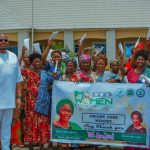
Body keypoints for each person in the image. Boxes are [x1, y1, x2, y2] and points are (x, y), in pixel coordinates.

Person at [22, 52, 50, 150]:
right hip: (31, 102)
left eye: (39, 61)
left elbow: (53, 83)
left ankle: (42, 145)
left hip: (43, 103)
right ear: (31, 63)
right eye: (35, 61)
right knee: (31, 122)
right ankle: (31, 145)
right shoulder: (27, 72)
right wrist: (22, 55)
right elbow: (15, 69)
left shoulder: (46, 74)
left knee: (42, 123)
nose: (37, 63)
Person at [0, 34, 23, 150]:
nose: (3, 42)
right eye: (1, 40)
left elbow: (18, 80)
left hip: (9, 101)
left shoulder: (13, 56)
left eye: (5, 40)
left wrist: (18, 98)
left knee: (6, 129)